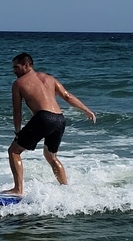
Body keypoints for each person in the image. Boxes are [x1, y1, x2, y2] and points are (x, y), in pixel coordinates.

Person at [6, 52, 95, 194]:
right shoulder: (49, 78)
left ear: (26, 65)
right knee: (51, 157)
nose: (13, 70)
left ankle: (18, 189)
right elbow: (67, 96)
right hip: (60, 119)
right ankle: (66, 190)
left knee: (13, 151)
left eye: (16, 67)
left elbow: (17, 111)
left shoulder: (18, 84)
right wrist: (86, 109)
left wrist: (17, 132)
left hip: (44, 118)